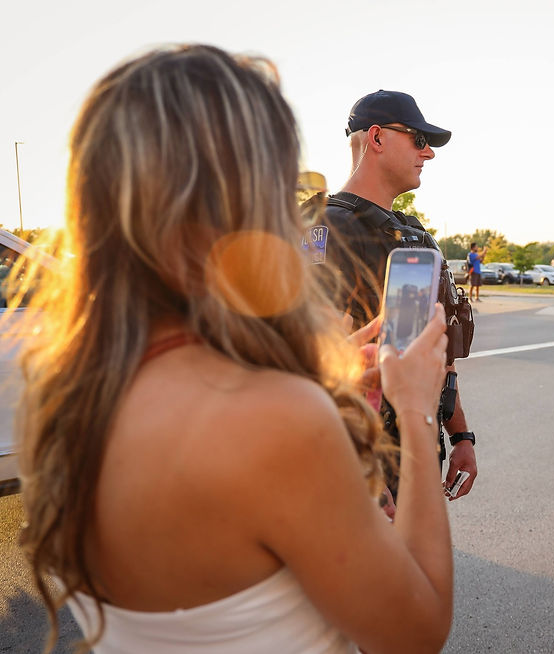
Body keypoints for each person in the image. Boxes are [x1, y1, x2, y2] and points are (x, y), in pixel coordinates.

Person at [12, 46, 452, 654]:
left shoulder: (61, 397)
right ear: (236, 205)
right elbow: (417, 630)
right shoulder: (279, 421)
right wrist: (417, 410)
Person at [319, 89, 477, 501]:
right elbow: (311, 367)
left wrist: (460, 434)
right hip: (357, 463)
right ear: (376, 138)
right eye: (418, 139)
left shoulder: (411, 234)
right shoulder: (326, 231)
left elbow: (431, 351)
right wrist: (364, 470)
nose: (429, 154)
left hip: (418, 451)